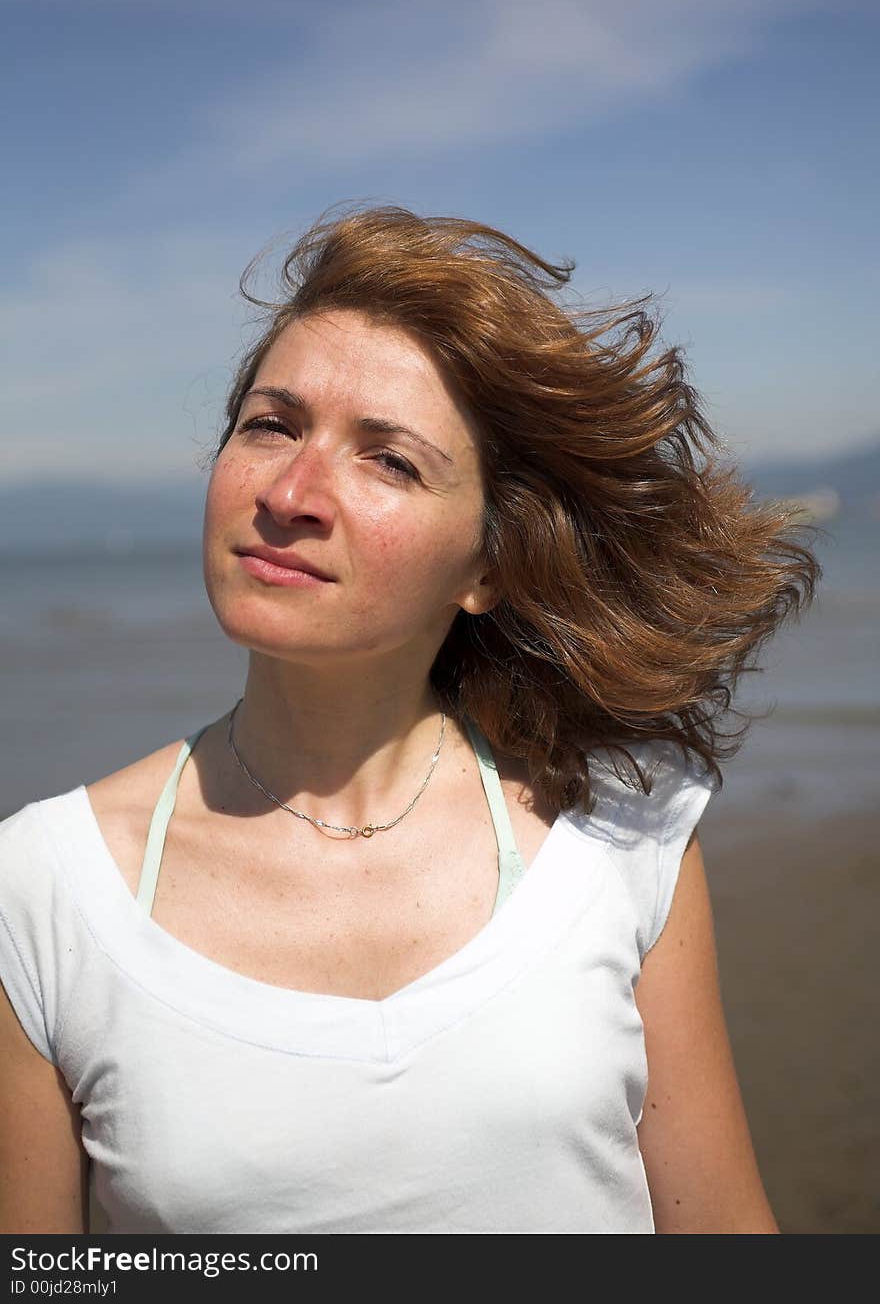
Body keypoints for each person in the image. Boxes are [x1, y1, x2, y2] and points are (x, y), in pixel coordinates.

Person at [0, 203, 821, 1235]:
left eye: (387, 459)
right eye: (270, 424)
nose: (292, 491)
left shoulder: (617, 838)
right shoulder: (43, 890)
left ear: (486, 565)